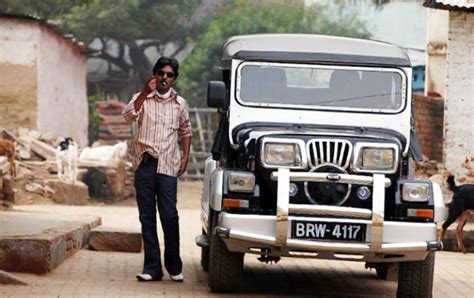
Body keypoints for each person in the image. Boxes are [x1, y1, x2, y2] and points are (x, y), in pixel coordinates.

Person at [122, 57, 192, 282]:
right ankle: (152, 268)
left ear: (174, 79)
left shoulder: (180, 104)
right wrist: (144, 92)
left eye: (169, 75)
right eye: (161, 73)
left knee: (170, 216)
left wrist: (185, 157)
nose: (164, 78)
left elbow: (186, 131)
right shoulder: (142, 99)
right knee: (147, 217)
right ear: (154, 75)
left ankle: (174, 265)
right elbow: (127, 116)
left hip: (168, 166)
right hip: (146, 163)